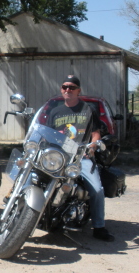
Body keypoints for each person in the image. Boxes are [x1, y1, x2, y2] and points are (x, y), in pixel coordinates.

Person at [46, 75, 114, 242]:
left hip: (80, 156)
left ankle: (99, 227)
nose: (67, 90)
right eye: (64, 87)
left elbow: (95, 133)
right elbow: (47, 135)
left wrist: (92, 146)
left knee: (97, 190)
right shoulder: (54, 112)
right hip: (60, 155)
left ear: (78, 90)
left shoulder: (88, 110)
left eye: (72, 87)